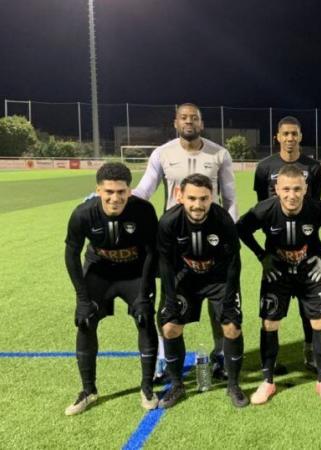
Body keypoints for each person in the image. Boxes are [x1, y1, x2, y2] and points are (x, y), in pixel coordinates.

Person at [132, 102, 239, 381]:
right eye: (184, 117)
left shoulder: (219, 154)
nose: (189, 121)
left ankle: (220, 354)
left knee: (221, 305)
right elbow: (145, 189)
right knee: (169, 302)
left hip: (211, 238)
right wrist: (118, 200)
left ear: (201, 123)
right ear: (175, 122)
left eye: (194, 118)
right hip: (174, 239)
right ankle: (162, 361)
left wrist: (230, 236)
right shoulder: (162, 153)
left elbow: (229, 198)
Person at [237, 165, 321, 404]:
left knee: (320, 322)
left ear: (305, 190)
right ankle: (268, 381)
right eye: (286, 189)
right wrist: (263, 256)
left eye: (297, 189)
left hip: (309, 273)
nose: (291, 195)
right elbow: (241, 228)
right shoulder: (265, 209)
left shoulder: (317, 208)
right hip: (277, 274)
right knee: (270, 323)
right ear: (276, 190)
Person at [64, 162, 158, 415]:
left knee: (145, 317)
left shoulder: (144, 211)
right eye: (109, 192)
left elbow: (152, 252)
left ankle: (147, 387)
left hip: (134, 273)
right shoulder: (83, 213)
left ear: (129, 191)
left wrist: (145, 291)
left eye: (121, 192)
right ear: (98, 190)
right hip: (99, 273)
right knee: (85, 321)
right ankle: (88, 390)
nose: (115, 198)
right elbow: (71, 254)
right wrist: (82, 298)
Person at [156, 174, 247, 408]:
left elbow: (234, 262)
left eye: (204, 198)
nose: (198, 204)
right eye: (192, 198)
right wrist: (169, 297)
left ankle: (233, 384)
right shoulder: (168, 222)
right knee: (170, 327)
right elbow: (165, 263)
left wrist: (229, 296)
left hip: (218, 279)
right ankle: (177, 384)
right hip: (185, 280)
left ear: (212, 198)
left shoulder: (223, 219)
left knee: (232, 327)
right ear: (180, 196)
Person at [253, 115, 321, 370]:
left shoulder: (313, 167)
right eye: (286, 134)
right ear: (278, 137)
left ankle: (310, 352)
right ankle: (270, 363)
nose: (290, 138)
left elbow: (315, 206)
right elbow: (262, 206)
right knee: (272, 311)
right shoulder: (264, 167)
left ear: (300, 136)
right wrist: (266, 252)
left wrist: (318, 252)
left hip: (308, 245)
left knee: (311, 307)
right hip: (276, 243)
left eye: (295, 134)